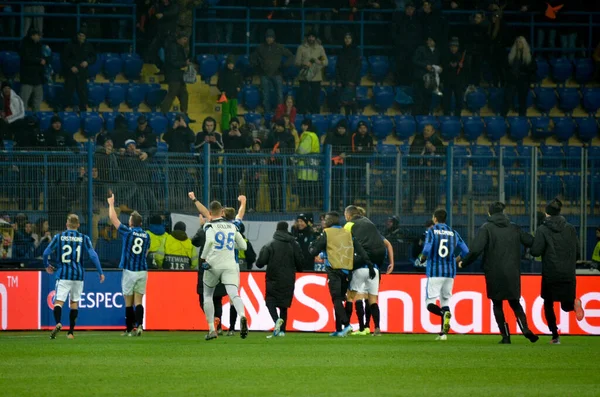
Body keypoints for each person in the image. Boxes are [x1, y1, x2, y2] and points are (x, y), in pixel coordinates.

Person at [459, 202, 539, 344]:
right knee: (515, 303)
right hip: (512, 271)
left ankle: (505, 336)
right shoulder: (514, 227)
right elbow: (531, 241)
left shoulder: (486, 228)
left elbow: (476, 250)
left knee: (497, 304)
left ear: (489, 213)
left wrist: (463, 263)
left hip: (494, 272)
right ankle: (525, 329)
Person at [308, 211, 373, 337]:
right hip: (346, 270)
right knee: (340, 299)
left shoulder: (327, 233)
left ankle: (346, 324)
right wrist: (369, 264)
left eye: (325, 219)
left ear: (330, 221)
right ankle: (338, 329)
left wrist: (311, 247)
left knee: (336, 298)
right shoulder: (347, 232)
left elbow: (314, 250)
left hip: (333, 270)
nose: (324, 221)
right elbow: (360, 250)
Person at [530, 199, 585, 344]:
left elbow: (535, 252)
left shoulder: (542, 229)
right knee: (566, 305)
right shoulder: (570, 228)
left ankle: (555, 336)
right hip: (568, 272)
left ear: (546, 213)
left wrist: (533, 243)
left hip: (550, 272)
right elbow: (578, 253)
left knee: (548, 304)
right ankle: (574, 303)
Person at [44, 214, 105, 339]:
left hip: (63, 274)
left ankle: (58, 323)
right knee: (74, 303)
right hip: (78, 275)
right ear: (78, 225)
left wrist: (46, 265)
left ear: (67, 224)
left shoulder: (59, 237)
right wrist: (100, 272)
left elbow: (46, 253)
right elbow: (93, 255)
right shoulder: (84, 238)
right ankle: (71, 333)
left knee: (58, 302)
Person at [416, 208, 469, 340]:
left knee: (430, 304)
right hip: (450, 273)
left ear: (435, 218)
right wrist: (456, 259)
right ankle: (443, 334)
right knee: (445, 302)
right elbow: (466, 251)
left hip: (435, 272)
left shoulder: (432, 231)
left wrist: (422, 258)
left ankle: (443, 315)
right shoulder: (453, 232)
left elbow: (427, 248)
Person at [201, 200, 249, 340]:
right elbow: (243, 246)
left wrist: (203, 258)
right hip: (230, 264)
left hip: (213, 264)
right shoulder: (232, 225)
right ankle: (243, 316)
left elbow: (209, 241)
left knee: (208, 295)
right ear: (222, 212)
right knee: (234, 294)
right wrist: (229, 245)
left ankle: (211, 329)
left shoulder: (209, 225)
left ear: (210, 213)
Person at [107, 193, 151, 337]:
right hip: (142, 270)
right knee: (139, 300)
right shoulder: (147, 235)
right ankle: (140, 325)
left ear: (131, 222)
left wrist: (111, 204)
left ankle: (128, 328)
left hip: (129, 270)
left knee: (128, 301)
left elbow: (113, 219)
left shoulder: (128, 232)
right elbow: (146, 253)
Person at [343, 206, 389, 336]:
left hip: (360, 267)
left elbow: (344, 242)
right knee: (373, 300)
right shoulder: (370, 223)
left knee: (353, 297)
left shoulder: (349, 225)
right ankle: (377, 328)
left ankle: (359, 328)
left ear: (348, 215)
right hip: (374, 268)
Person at [256, 221, 304, 338]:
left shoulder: (270, 245)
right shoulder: (294, 245)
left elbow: (260, 263)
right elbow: (301, 264)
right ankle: (282, 331)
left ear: (277, 230)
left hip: (273, 278)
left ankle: (276, 320)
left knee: (270, 301)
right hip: (288, 278)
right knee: (284, 305)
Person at [250, 29, 294, 113]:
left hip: (277, 74)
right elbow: (252, 58)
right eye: (267, 37)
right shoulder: (260, 47)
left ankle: (279, 113)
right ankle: (267, 113)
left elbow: (291, 56)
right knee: (265, 95)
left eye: (271, 37)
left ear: (274, 38)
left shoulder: (279, 47)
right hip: (264, 75)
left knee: (280, 95)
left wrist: (284, 66)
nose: (269, 39)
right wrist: (258, 67)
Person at [408, 124, 445, 213]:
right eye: (425, 130)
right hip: (418, 170)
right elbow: (412, 152)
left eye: (428, 130)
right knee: (414, 189)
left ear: (433, 132)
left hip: (432, 171)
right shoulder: (418, 139)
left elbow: (443, 153)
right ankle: (409, 208)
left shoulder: (437, 142)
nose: (425, 132)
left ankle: (430, 210)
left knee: (431, 190)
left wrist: (434, 149)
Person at [160, 34, 193, 121]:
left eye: (186, 39)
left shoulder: (179, 47)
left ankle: (184, 115)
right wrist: (184, 63)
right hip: (174, 75)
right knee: (172, 94)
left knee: (184, 95)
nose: (185, 41)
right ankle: (162, 114)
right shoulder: (173, 47)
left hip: (180, 76)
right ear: (178, 39)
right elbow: (173, 62)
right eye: (184, 39)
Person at [265, 118, 295, 212]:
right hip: (272, 164)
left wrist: (281, 151)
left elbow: (292, 150)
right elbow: (265, 147)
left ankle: (282, 208)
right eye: (276, 126)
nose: (277, 128)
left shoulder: (289, 136)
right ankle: (273, 208)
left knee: (283, 186)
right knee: (272, 186)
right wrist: (269, 152)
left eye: (279, 126)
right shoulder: (271, 135)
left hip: (284, 165)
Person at [62, 30, 96, 111]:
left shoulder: (88, 45)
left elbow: (93, 57)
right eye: (80, 35)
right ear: (77, 36)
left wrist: (87, 62)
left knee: (82, 93)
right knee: (68, 91)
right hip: (71, 72)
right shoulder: (70, 45)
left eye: (83, 36)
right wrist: (71, 67)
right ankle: (64, 110)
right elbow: (64, 58)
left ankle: (83, 111)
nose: (81, 37)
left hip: (82, 72)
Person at [295, 31, 328, 115]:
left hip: (316, 77)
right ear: (307, 38)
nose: (311, 38)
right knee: (303, 98)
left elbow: (326, 62)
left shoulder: (320, 48)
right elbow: (296, 62)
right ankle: (302, 115)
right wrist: (303, 64)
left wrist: (318, 61)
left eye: (313, 37)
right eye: (309, 37)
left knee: (315, 98)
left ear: (315, 38)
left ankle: (315, 116)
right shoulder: (301, 48)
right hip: (304, 76)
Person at [502, 36, 536, 117]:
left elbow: (533, 70)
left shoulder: (529, 56)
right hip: (512, 80)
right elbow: (506, 68)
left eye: (520, 42)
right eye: (517, 42)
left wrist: (531, 81)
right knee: (507, 98)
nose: (518, 44)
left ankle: (522, 119)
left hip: (523, 80)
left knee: (522, 101)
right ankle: (502, 117)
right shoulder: (511, 55)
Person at [324, 119, 352, 210]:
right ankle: (331, 206)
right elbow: (326, 149)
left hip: (342, 167)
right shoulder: (331, 136)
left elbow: (350, 150)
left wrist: (345, 154)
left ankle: (337, 206)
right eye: (339, 128)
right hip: (331, 165)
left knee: (339, 186)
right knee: (332, 185)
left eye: (343, 128)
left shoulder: (347, 137)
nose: (341, 130)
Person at [392, 1, 422, 86]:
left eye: (412, 9)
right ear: (405, 9)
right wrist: (399, 43)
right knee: (400, 67)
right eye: (408, 9)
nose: (410, 10)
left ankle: (409, 85)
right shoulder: (399, 19)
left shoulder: (417, 20)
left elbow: (419, 34)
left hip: (413, 49)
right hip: (401, 49)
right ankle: (399, 85)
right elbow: (394, 33)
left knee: (411, 67)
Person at [412, 37, 442, 115]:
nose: (428, 41)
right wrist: (425, 66)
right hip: (420, 78)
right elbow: (415, 60)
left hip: (431, 79)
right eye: (428, 40)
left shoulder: (437, 51)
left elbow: (438, 63)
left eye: (431, 40)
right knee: (418, 100)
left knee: (427, 100)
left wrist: (440, 68)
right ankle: (416, 119)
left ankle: (425, 119)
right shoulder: (421, 49)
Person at [20, 28, 47, 112]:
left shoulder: (40, 45)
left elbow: (46, 57)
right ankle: (22, 120)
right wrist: (39, 60)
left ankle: (36, 120)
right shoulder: (24, 44)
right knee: (23, 102)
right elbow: (26, 58)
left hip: (38, 78)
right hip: (27, 78)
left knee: (37, 102)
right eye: (38, 35)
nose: (39, 37)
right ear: (32, 35)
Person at [335, 32, 361, 115]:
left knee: (352, 103)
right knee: (344, 103)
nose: (347, 40)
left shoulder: (356, 51)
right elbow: (337, 67)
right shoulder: (341, 51)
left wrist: (353, 80)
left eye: (349, 38)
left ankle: (354, 122)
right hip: (342, 81)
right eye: (345, 38)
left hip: (351, 81)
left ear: (352, 39)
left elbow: (358, 67)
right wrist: (338, 80)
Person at [296, 119, 320, 208]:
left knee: (303, 187)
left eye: (304, 125)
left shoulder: (307, 136)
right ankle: (312, 204)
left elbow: (303, 150)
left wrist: (296, 154)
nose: (303, 127)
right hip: (314, 165)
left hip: (305, 165)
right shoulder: (315, 136)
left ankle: (303, 205)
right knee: (312, 187)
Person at [217, 55, 243, 131]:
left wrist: (239, 87)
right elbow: (219, 83)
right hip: (225, 96)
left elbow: (240, 82)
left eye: (232, 64)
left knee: (233, 112)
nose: (231, 65)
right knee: (225, 113)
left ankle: (234, 127)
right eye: (229, 64)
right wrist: (222, 90)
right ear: (227, 64)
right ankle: (225, 129)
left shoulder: (237, 72)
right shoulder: (223, 72)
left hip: (234, 95)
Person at [442, 37, 466, 116]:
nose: (453, 48)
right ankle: (446, 116)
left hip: (458, 82)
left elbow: (466, 69)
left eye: (455, 47)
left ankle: (457, 116)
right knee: (446, 100)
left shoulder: (460, 56)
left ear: (457, 47)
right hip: (447, 81)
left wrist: (462, 66)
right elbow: (443, 66)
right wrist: (450, 65)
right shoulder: (445, 55)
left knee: (459, 99)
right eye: (452, 47)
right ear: (450, 47)